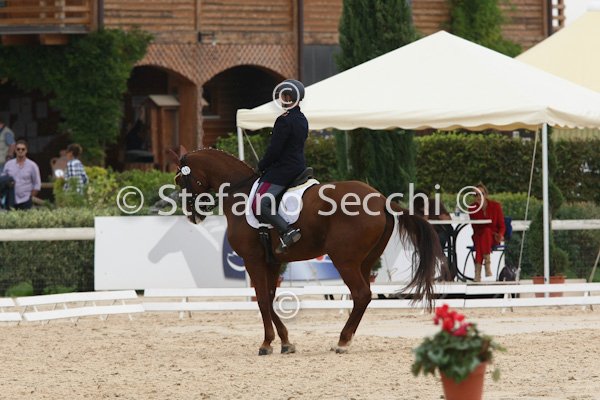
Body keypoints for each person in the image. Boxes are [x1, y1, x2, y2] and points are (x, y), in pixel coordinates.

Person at [254, 79, 308, 254]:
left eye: (283, 96)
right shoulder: (302, 119)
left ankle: (287, 231)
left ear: (289, 97)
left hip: (284, 169)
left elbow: (275, 150)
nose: (281, 99)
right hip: (298, 165)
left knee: (260, 203)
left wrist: (262, 165)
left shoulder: (284, 120)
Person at [469, 183, 505, 282]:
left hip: (493, 238)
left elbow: (502, 226)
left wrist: (500, 235)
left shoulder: (496, 206)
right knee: (485, 233)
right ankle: (487, 266)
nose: (479, 197)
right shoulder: (472, 208)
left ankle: (477, 274)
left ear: (486, 194)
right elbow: (475, 227)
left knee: (486, 234)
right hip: (479, 235)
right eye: (476, 195)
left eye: (481, 194)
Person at [1, 139, 41, 210]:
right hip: (10, 200)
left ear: (26, 151)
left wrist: (30, 197)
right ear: (15, 150)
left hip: (25, 200)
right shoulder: (8, 164)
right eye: (18, 149)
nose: (20, 151)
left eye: (23, 149)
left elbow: (37, 184)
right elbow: (3, 181)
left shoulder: (32, 166)